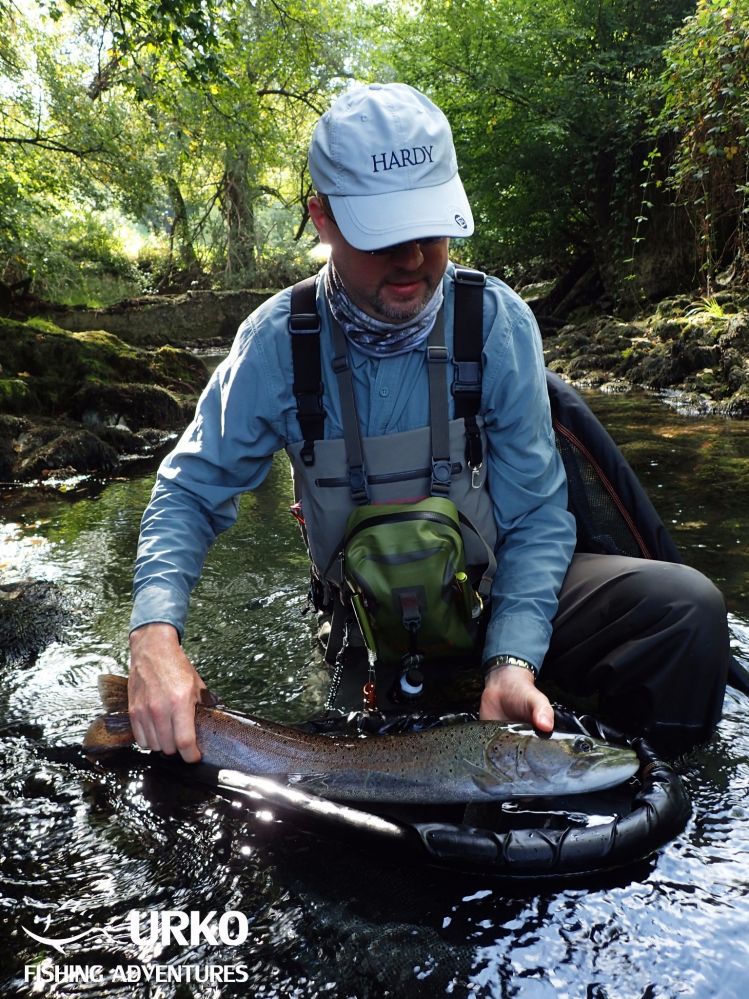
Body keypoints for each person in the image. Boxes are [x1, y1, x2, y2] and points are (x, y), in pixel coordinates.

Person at [127, 82, 731, 764]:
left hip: (496, 591)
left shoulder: (495, 324)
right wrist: (154, 637)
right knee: (337, 800)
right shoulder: (275, 344)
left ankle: (652, 791)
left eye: (426, 225)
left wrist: (512, 657)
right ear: (321, 219)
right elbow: (188, 492)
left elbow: (536, 517)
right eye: (383, 233)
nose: (412, 255)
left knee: (687, 612)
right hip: (364, 623)